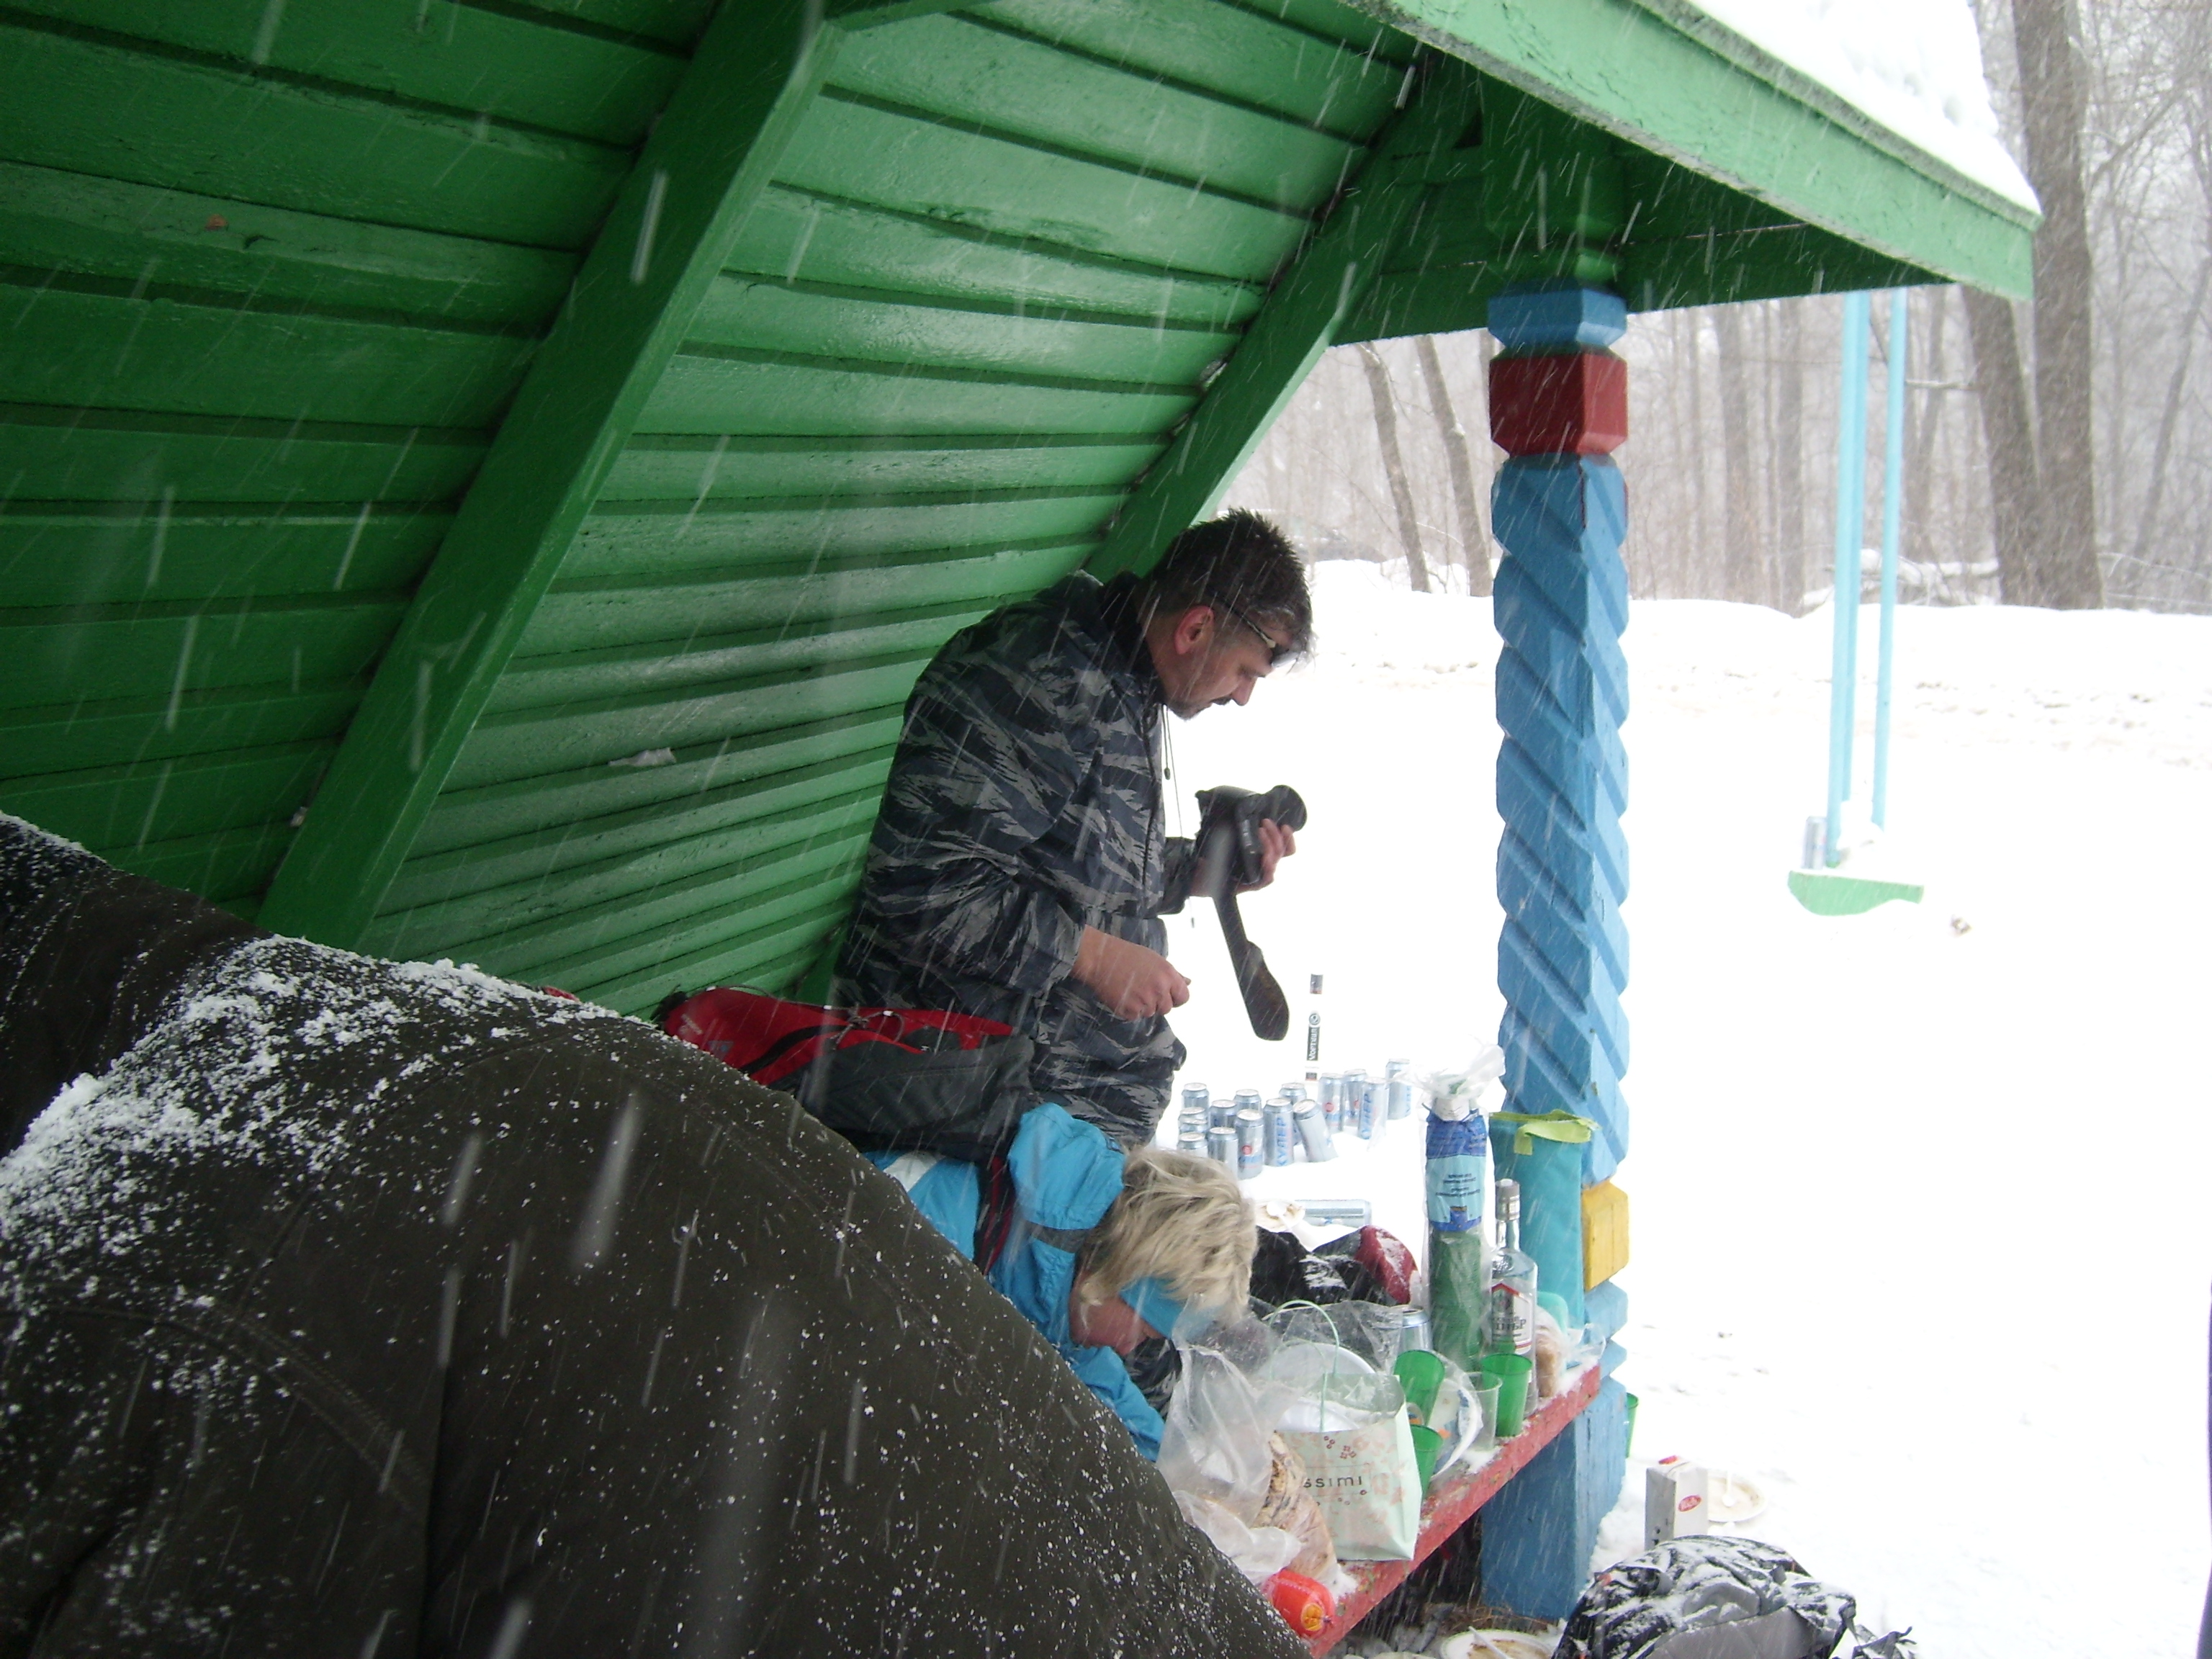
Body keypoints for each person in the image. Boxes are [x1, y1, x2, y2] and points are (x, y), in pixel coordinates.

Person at [0, 817, 1307, 1658]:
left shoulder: (1031, 1292)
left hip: (482, 1136)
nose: (1134, 1349)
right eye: (1146, 1321)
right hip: (477, 1239)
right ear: (1122, 1265)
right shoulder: (932, 1227)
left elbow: (1082, 1407)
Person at [837, 511, 1313, 1147]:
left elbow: (1075, 865)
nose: (1243, 696)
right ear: (1196, 628)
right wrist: (1090, 956)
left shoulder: (1125, 676)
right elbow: (920, 887)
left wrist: (1200, 871)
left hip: (1051, 1120)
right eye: (1247, 672)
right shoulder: (1041, 678)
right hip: (965, 1110)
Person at [866, 1105, 1254, 1460]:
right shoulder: (927, 1233)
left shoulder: (1067, 1276)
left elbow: (1103, 1394)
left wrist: (1180, 1474)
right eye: (1145, 1333)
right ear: (1120, 1273)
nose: (1130, 1348)